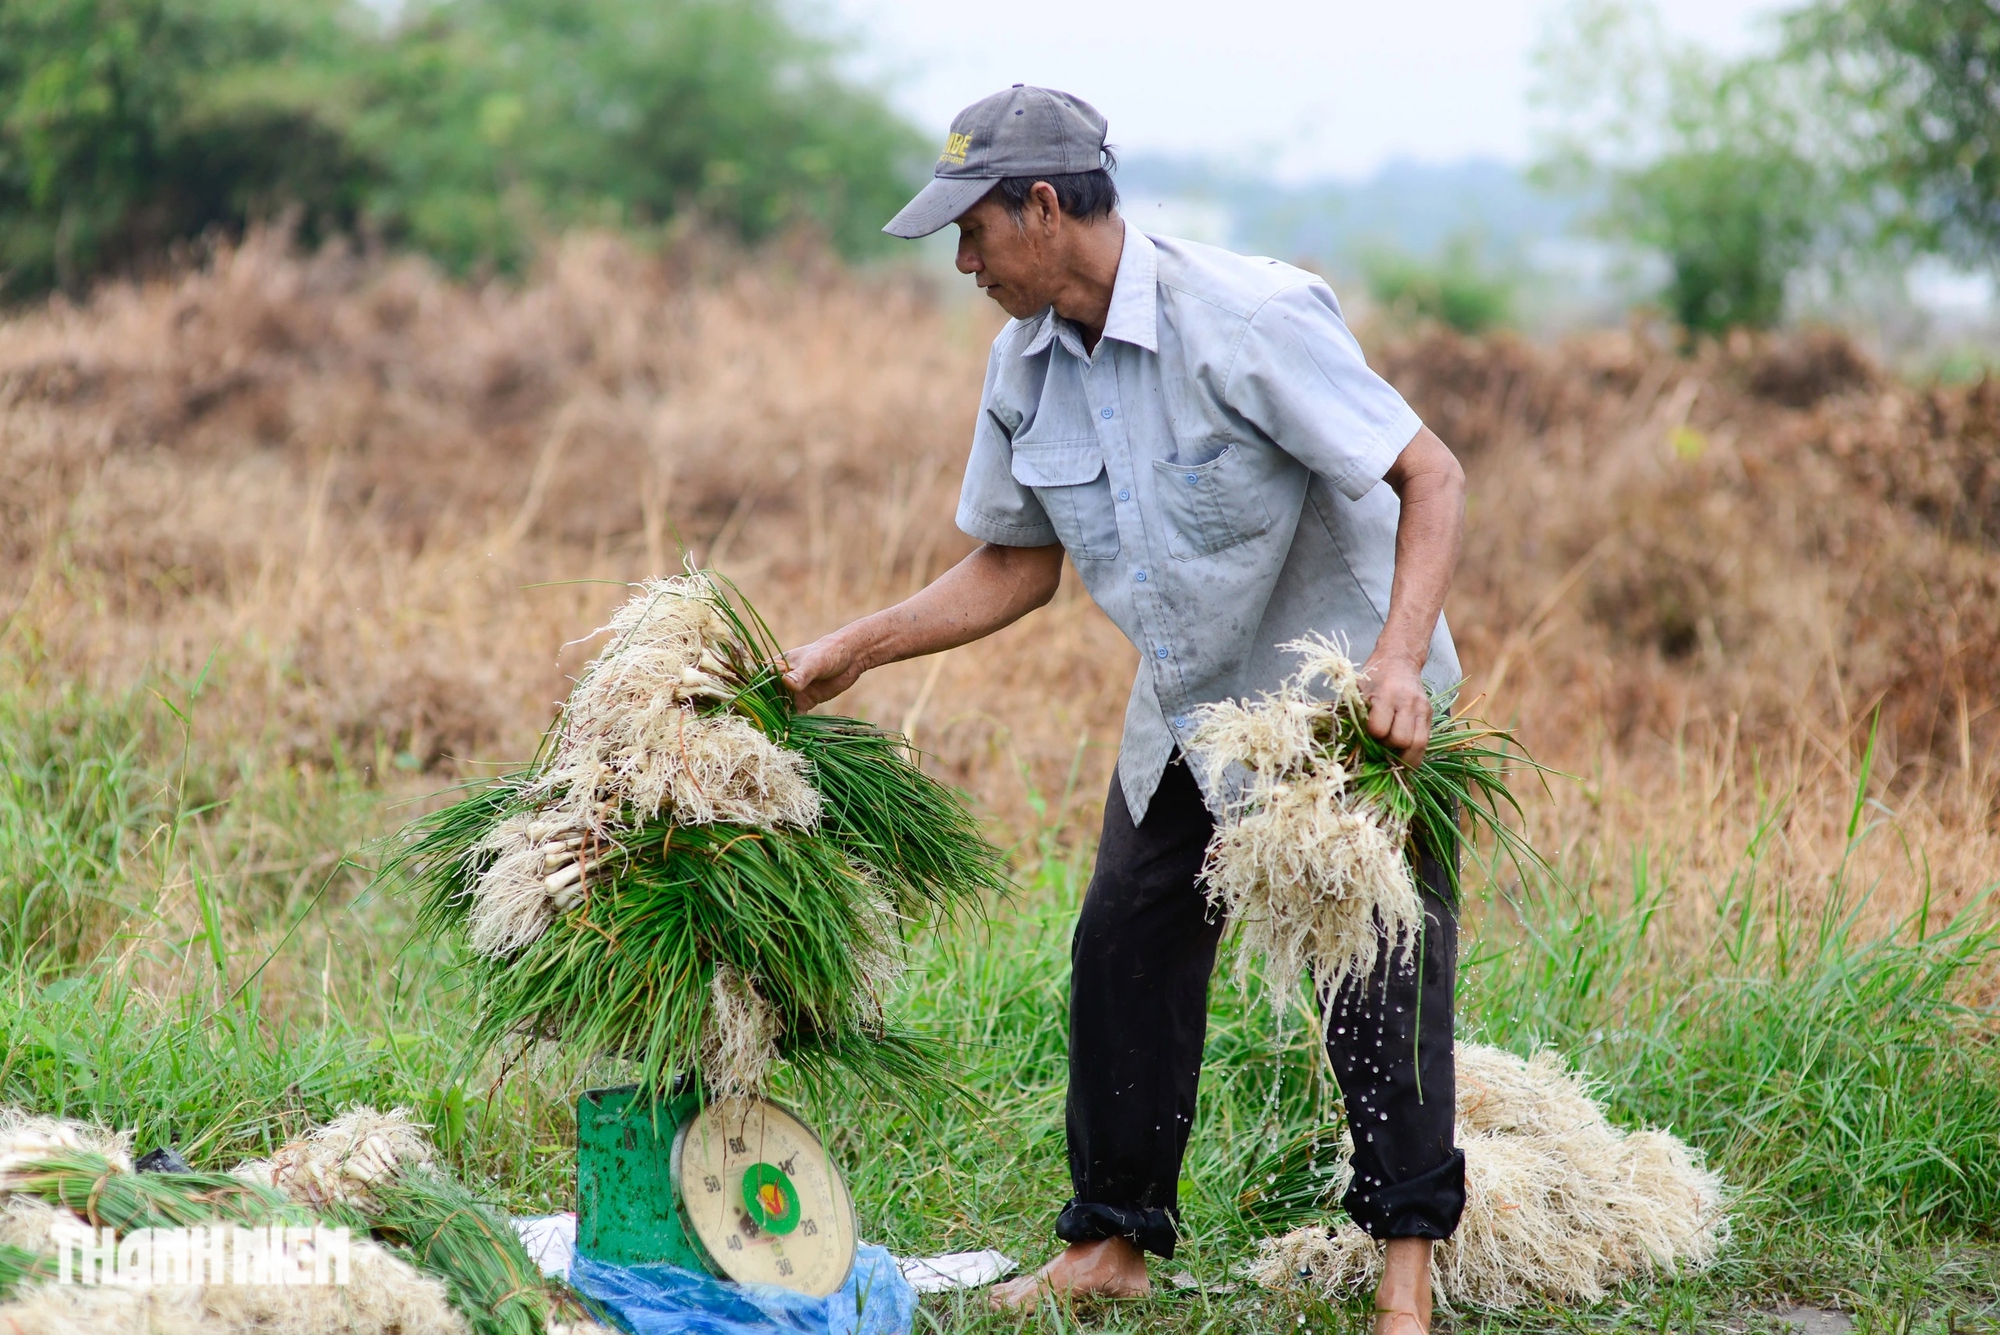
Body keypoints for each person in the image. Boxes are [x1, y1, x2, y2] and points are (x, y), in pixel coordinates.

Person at [780, 85, 1467, 1335]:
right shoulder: (1022, 361)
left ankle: (1404, 1281)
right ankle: (1109, 1241)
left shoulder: (1249, 318)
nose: (963, 259)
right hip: (1189, 714)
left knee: (1379, 976)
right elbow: (1013, 563)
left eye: (974, 229)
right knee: (1124, 951)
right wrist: (854, 649)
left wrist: (1400, 663)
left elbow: (1428, 472)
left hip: (1336, 714)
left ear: (1044, 206)